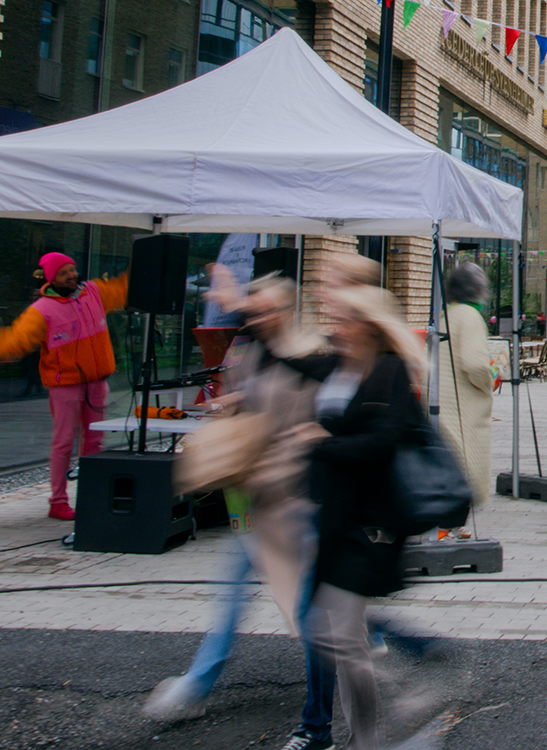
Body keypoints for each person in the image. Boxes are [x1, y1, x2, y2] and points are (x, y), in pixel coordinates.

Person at [144, 272, 324, 725]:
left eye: (265, 309)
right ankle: (197, 684)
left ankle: (377, 656)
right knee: (247, 593)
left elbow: (306, 428)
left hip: (292, 500)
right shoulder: (257, 351)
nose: (256, 316)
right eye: (252, 308)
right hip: (259, 499)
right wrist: (235, 403)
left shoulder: (309, 355)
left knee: (303, 604)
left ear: (285, 311)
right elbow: (260, 402)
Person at [296, 286, 427, 750]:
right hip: (333, 515)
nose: (338, 326)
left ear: (370, 326)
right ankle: (370, 734)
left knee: (341, 638)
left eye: (347, 318)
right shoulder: (335, 365)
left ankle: (390, 717)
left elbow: (386, 439)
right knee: (337, 636)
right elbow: (287, 359)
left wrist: (321, 443)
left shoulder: (388, 371)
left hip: (369, 523)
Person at [0, 252, 129, 520]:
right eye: (63, 273)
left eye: (72, 269)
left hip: (97, 384)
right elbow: (20, 338)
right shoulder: (42, 310)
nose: (71, 275)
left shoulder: (94, 292)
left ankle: (90, 496)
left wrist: (143, 270)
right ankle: (58, 502)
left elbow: (121, 289)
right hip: (66, 386)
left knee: (95, 443)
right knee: (63, 443)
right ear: (52, 279)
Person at [434, 262, 497, 509]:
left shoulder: (445, 314)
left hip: (443, 405)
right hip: (463, 408)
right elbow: (475, 364)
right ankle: (448, 529)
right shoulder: (470, 317)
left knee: (447, 468)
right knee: (465, 469)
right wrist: (488, 383)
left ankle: (444, 528)